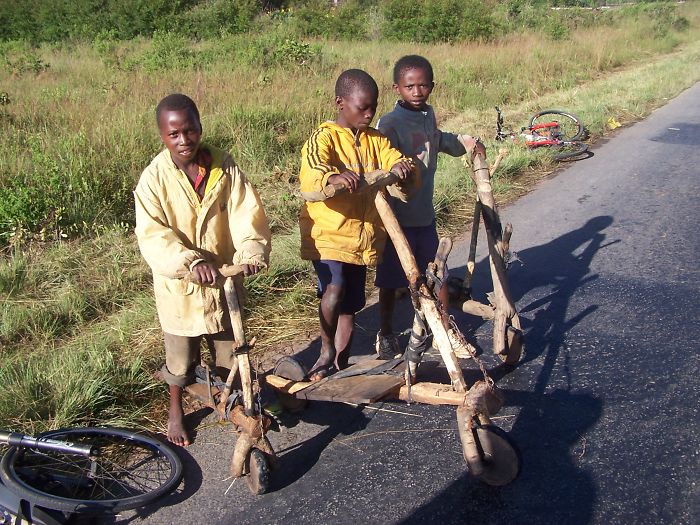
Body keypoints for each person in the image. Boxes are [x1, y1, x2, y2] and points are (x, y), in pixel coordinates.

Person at [134, 93, 271, 446]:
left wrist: (251, 250)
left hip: (223, 279)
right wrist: (190, 262)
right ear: (162, 136)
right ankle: (176, 409)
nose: (184, 141)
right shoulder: (153, 179)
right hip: (180, 288)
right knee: (180, 360)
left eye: (190, 130)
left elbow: (246, 213)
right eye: (174, 134)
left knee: (230, 350)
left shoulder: (224, 167)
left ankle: (230, 402)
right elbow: (153, 235)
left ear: (200, 127)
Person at [299, 69, 418, 381]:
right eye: (361, 107)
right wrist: (332, 177)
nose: (369, 114)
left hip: (363, 236)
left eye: (373, 108)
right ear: (340, 103)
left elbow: (396, 160)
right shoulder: (322, 138)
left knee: (352, 303)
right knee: (334, 288)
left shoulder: (376, 140)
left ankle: (340, 361)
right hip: (328, 232)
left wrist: (402, 168)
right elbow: (313, 171)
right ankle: (325, 350)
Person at [374, 55, 485, 360]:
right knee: (390, 280)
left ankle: (444, 331)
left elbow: (437, 140)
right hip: (396, 219)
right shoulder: (390, 123)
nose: (417, 91)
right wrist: (396, 168)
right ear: (397, 88)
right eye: (410, 86)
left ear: (432, 86)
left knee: (438, 274)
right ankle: (384, 332)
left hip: (424, 216)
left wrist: (467, 143)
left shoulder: (428, 114)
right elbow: (380, 157)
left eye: (423, 85)